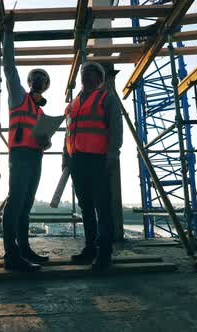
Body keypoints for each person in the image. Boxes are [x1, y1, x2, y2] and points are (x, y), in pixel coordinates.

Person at [62, 61, 123, 271]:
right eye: (84, 72)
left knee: (102, 207)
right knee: (86, 206)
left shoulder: (107, 98)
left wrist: (113, 154)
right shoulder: (73, 104)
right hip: (77, 160)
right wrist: (65, 157)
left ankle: (104, 253)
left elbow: (116, 128)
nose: (86, 75)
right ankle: (90, 249)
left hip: (98, 159)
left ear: (99, 79)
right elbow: (68, 133)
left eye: (90, 72)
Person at [2, 12, 51, 272]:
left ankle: (23, 250)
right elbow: (9, 68)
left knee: (26, 205)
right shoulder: (19, 96)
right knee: (16, 202)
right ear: (32, 82)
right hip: (20, 155)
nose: (41, 82)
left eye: (44, 80)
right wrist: (9, 34)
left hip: (34, 156)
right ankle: (12, 255)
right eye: (38, 78)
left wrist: (46, 141)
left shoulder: (40, 110)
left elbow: (40, 135)